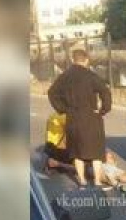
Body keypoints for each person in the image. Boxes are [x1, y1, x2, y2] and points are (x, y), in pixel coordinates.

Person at [47, 49, 111, 188]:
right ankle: (97, 181)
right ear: (86, 60)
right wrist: (103, 109)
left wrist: (63, 109)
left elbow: (52, 93)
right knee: (96, 152)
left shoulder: (65, 76)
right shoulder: (91, 76)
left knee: (77, 152)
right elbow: (105, 91)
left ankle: (81, 180)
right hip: (92, 117)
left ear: (72, 60)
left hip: (73, 118)